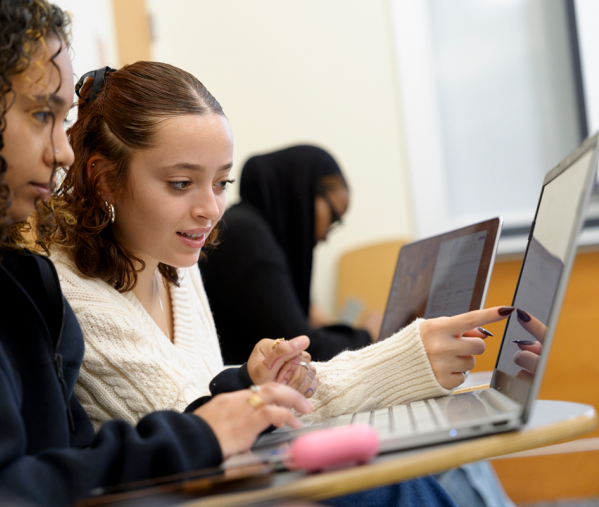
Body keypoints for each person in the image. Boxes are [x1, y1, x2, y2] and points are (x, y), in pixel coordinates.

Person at [0, 2, 317, 505]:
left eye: (62, 117)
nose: (61, 152)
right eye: (41, 114)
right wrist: (197, 439)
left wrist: (231, 403)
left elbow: (73, 456)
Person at [44, 60, 509, 432]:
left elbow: (219, 394)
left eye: (221, 182)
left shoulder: (175, 264)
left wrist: (260, 377)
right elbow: (197, 420)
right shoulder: (73, 293)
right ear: (104, 178)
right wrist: (404, 357)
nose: (211, 208)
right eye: (182, 182)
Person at [199, 145, 378, 364]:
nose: (325, 237)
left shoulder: (252, 230)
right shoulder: (245, 237)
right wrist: (369, 335)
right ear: (303, 187)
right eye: (333, 218)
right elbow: (300, 352)